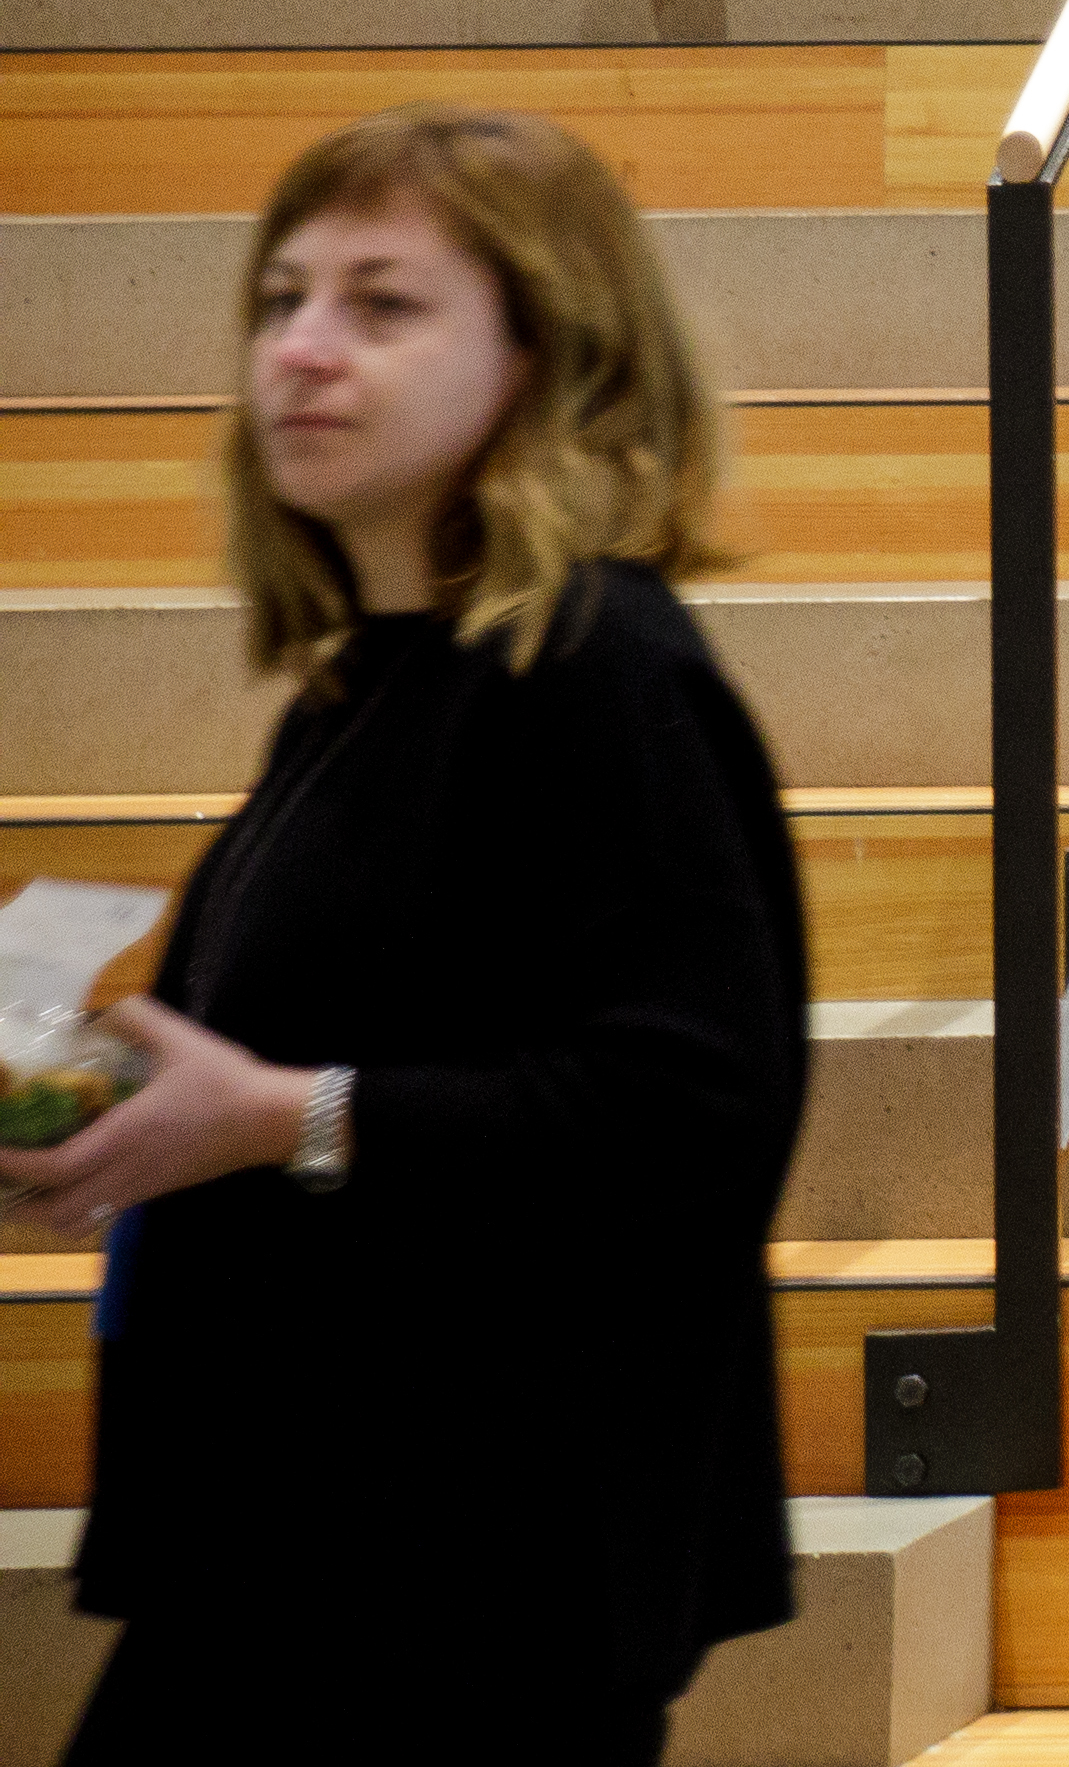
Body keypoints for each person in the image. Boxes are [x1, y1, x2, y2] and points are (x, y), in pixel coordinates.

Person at [0, 111, 806, 1763]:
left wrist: (280, 1117)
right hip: (292, 1541)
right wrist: (100, 1111)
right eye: (280, 298)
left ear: (545, 352)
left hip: (461, 1578)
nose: (298, 349)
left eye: (381, 304)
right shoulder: (371, 682)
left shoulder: (598, 670)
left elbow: (695, 1113)